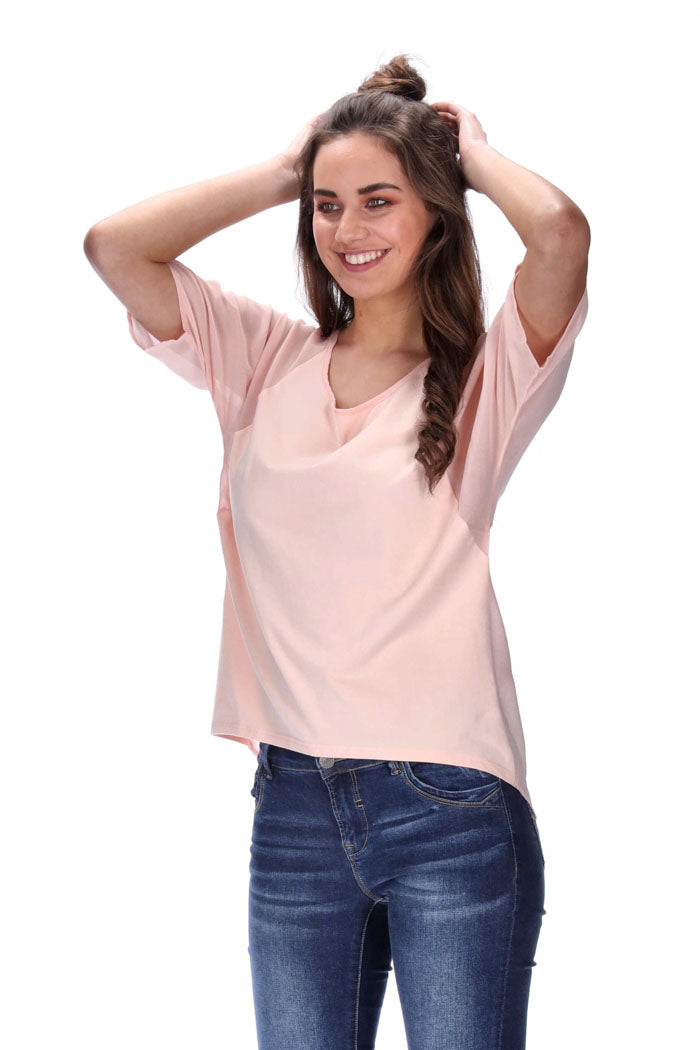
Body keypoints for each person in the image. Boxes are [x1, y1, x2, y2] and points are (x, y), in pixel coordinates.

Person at [84, 53, 589, 1050]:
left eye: (378, 201)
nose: (347, 230)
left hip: (451, 805)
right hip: (294, 812)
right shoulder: (262, 358)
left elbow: (561, 235)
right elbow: (115, 247)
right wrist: (289, 167)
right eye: (327, 206)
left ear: (435, 213)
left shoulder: (484, 383)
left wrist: (474, 156)